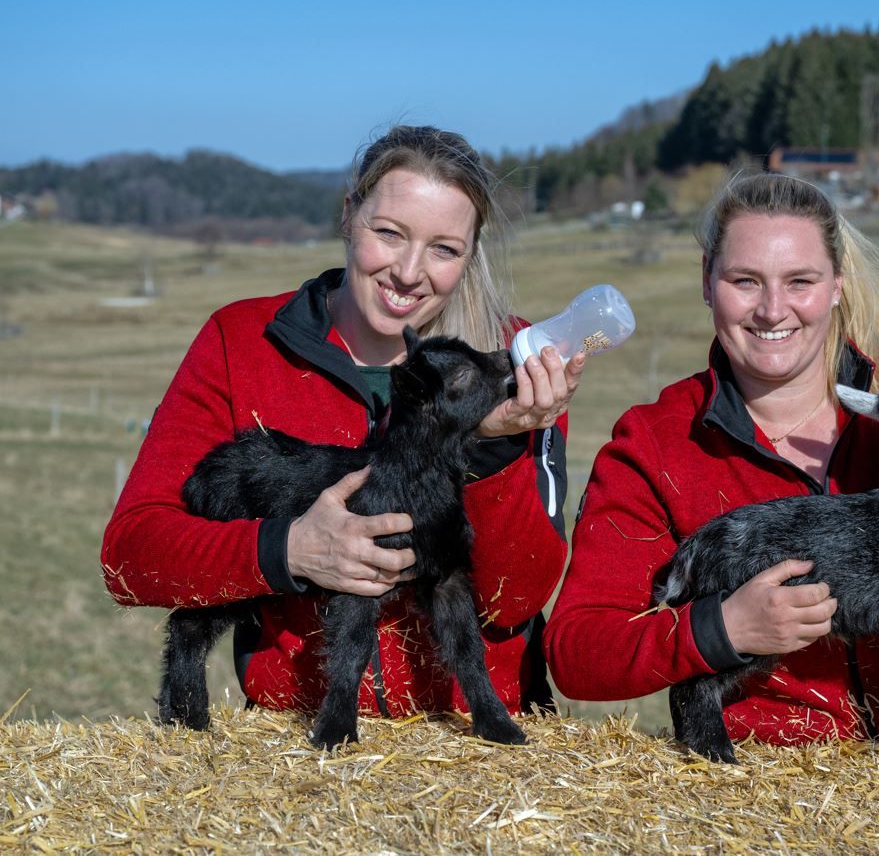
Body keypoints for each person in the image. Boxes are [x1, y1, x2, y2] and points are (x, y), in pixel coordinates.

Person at [545, 173, 879, 749]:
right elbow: (578, 655)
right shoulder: (656, 442)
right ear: (707, 281)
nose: (773, 310)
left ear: (837, 284)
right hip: (781, 774)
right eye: (745, 281)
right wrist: (721, 629)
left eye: (801, 280)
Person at [103, 125, 581, 719]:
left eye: (444, 249)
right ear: (349, 214)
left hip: (469, 733)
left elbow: (518, 600)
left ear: (471, 253)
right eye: (389, 233)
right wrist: (286, 550)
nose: (409, 272)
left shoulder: (509, 368)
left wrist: (491, 447)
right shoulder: (243, 343)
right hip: (306, 733)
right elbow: (130, 558)